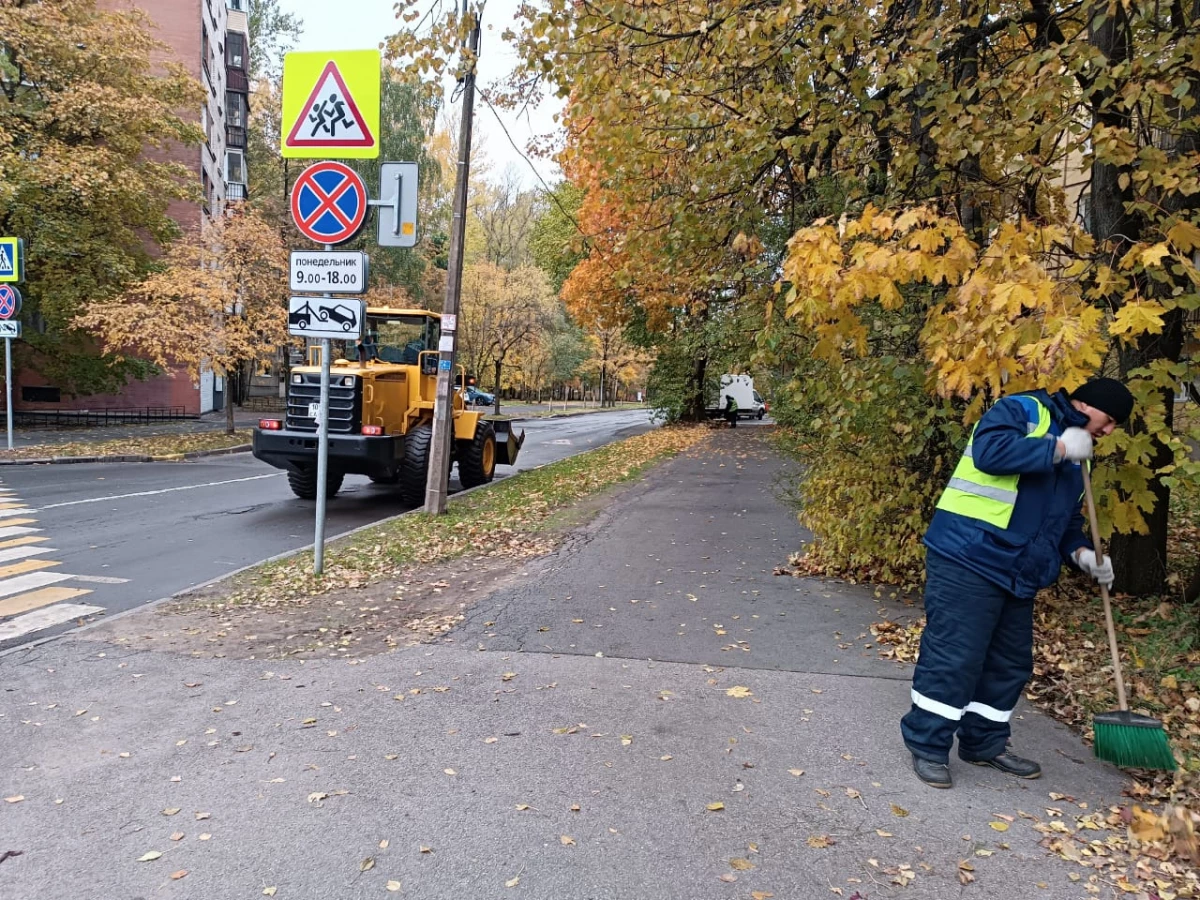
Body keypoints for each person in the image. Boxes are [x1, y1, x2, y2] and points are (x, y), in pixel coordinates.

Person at [901, 377, 1134, 788]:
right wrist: (1059, 448)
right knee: (955, 657)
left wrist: (1082, 555)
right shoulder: (1024, 411)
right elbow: (990, 454)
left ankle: (985, 744)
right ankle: (928, 746)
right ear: (1084, 403)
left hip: (1019, 570)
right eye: (1109, 419)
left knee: (1010, 663)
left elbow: (1066, 523)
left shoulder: (1083, 456)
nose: (1109, 430)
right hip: (968, 555)